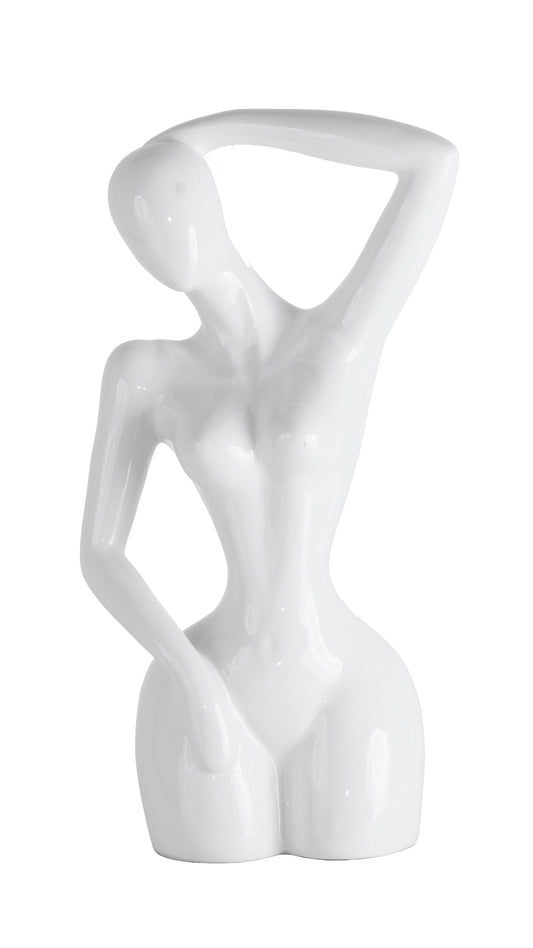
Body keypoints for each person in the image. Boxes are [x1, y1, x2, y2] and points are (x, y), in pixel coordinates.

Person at [81, 110, 458, 861]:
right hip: (209, 684)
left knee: (375, 902)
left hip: (348, 686)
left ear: (211, 196)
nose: (157, 233)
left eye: (173, 195)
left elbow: (433, 162)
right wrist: (191, 678)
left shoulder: (337, 341)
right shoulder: (145, 373)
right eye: (134, 226)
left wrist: (224, 129)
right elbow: (99, 551)